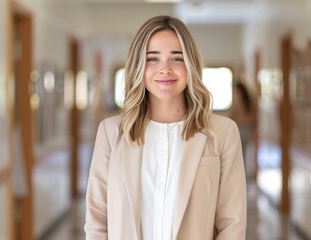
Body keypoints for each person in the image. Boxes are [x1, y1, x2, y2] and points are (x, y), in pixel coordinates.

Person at [84, 15, 246, 240]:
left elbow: (233, 225)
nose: (165, 69)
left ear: (190, 64)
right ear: (139, 66)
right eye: (153, 59)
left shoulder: (223, 133)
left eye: (176, 59)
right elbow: (96, 220)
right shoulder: (111, 133)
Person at [228, 81, 255, 178]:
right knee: (245, 153)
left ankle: (241, 175)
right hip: (248, 130)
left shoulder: (238, 102)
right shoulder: (249, 102)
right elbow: (254, 118)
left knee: (240, 154)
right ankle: (244, 175)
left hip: (240, 130)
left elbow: (231, 116)